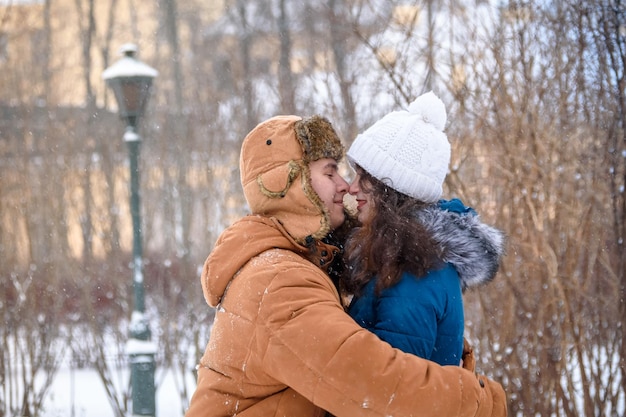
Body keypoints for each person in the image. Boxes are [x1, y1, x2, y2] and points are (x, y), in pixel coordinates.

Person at [185, 113, 507, 417]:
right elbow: (372, 382)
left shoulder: (306, 263)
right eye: (329, 172)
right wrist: (480, 400)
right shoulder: (278, 281)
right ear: (292, 184)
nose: (344, 185)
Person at [342, 91, 506, 367]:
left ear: (392, 189)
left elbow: (389, 390)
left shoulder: (414, 268)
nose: (351, 187)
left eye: (364, 177)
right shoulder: (402, 255)